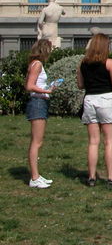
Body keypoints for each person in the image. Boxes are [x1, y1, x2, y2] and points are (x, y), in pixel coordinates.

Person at [77, 33, 112, 187]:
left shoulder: (82, 63)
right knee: (109, 142)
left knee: (93, 142)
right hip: (105, 99)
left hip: (89, 99)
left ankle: (91, 177)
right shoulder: (109, 63)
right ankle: (111, 177)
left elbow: (80, 85)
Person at [25, 39, 55, 188]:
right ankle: (34, 177)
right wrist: (46, 91)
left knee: (37, 141)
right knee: (36, 142)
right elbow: (30, 86)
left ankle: (36, 175)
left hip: (38, 102)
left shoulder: (34, 64)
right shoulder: (37, 64)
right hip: (37, 102)